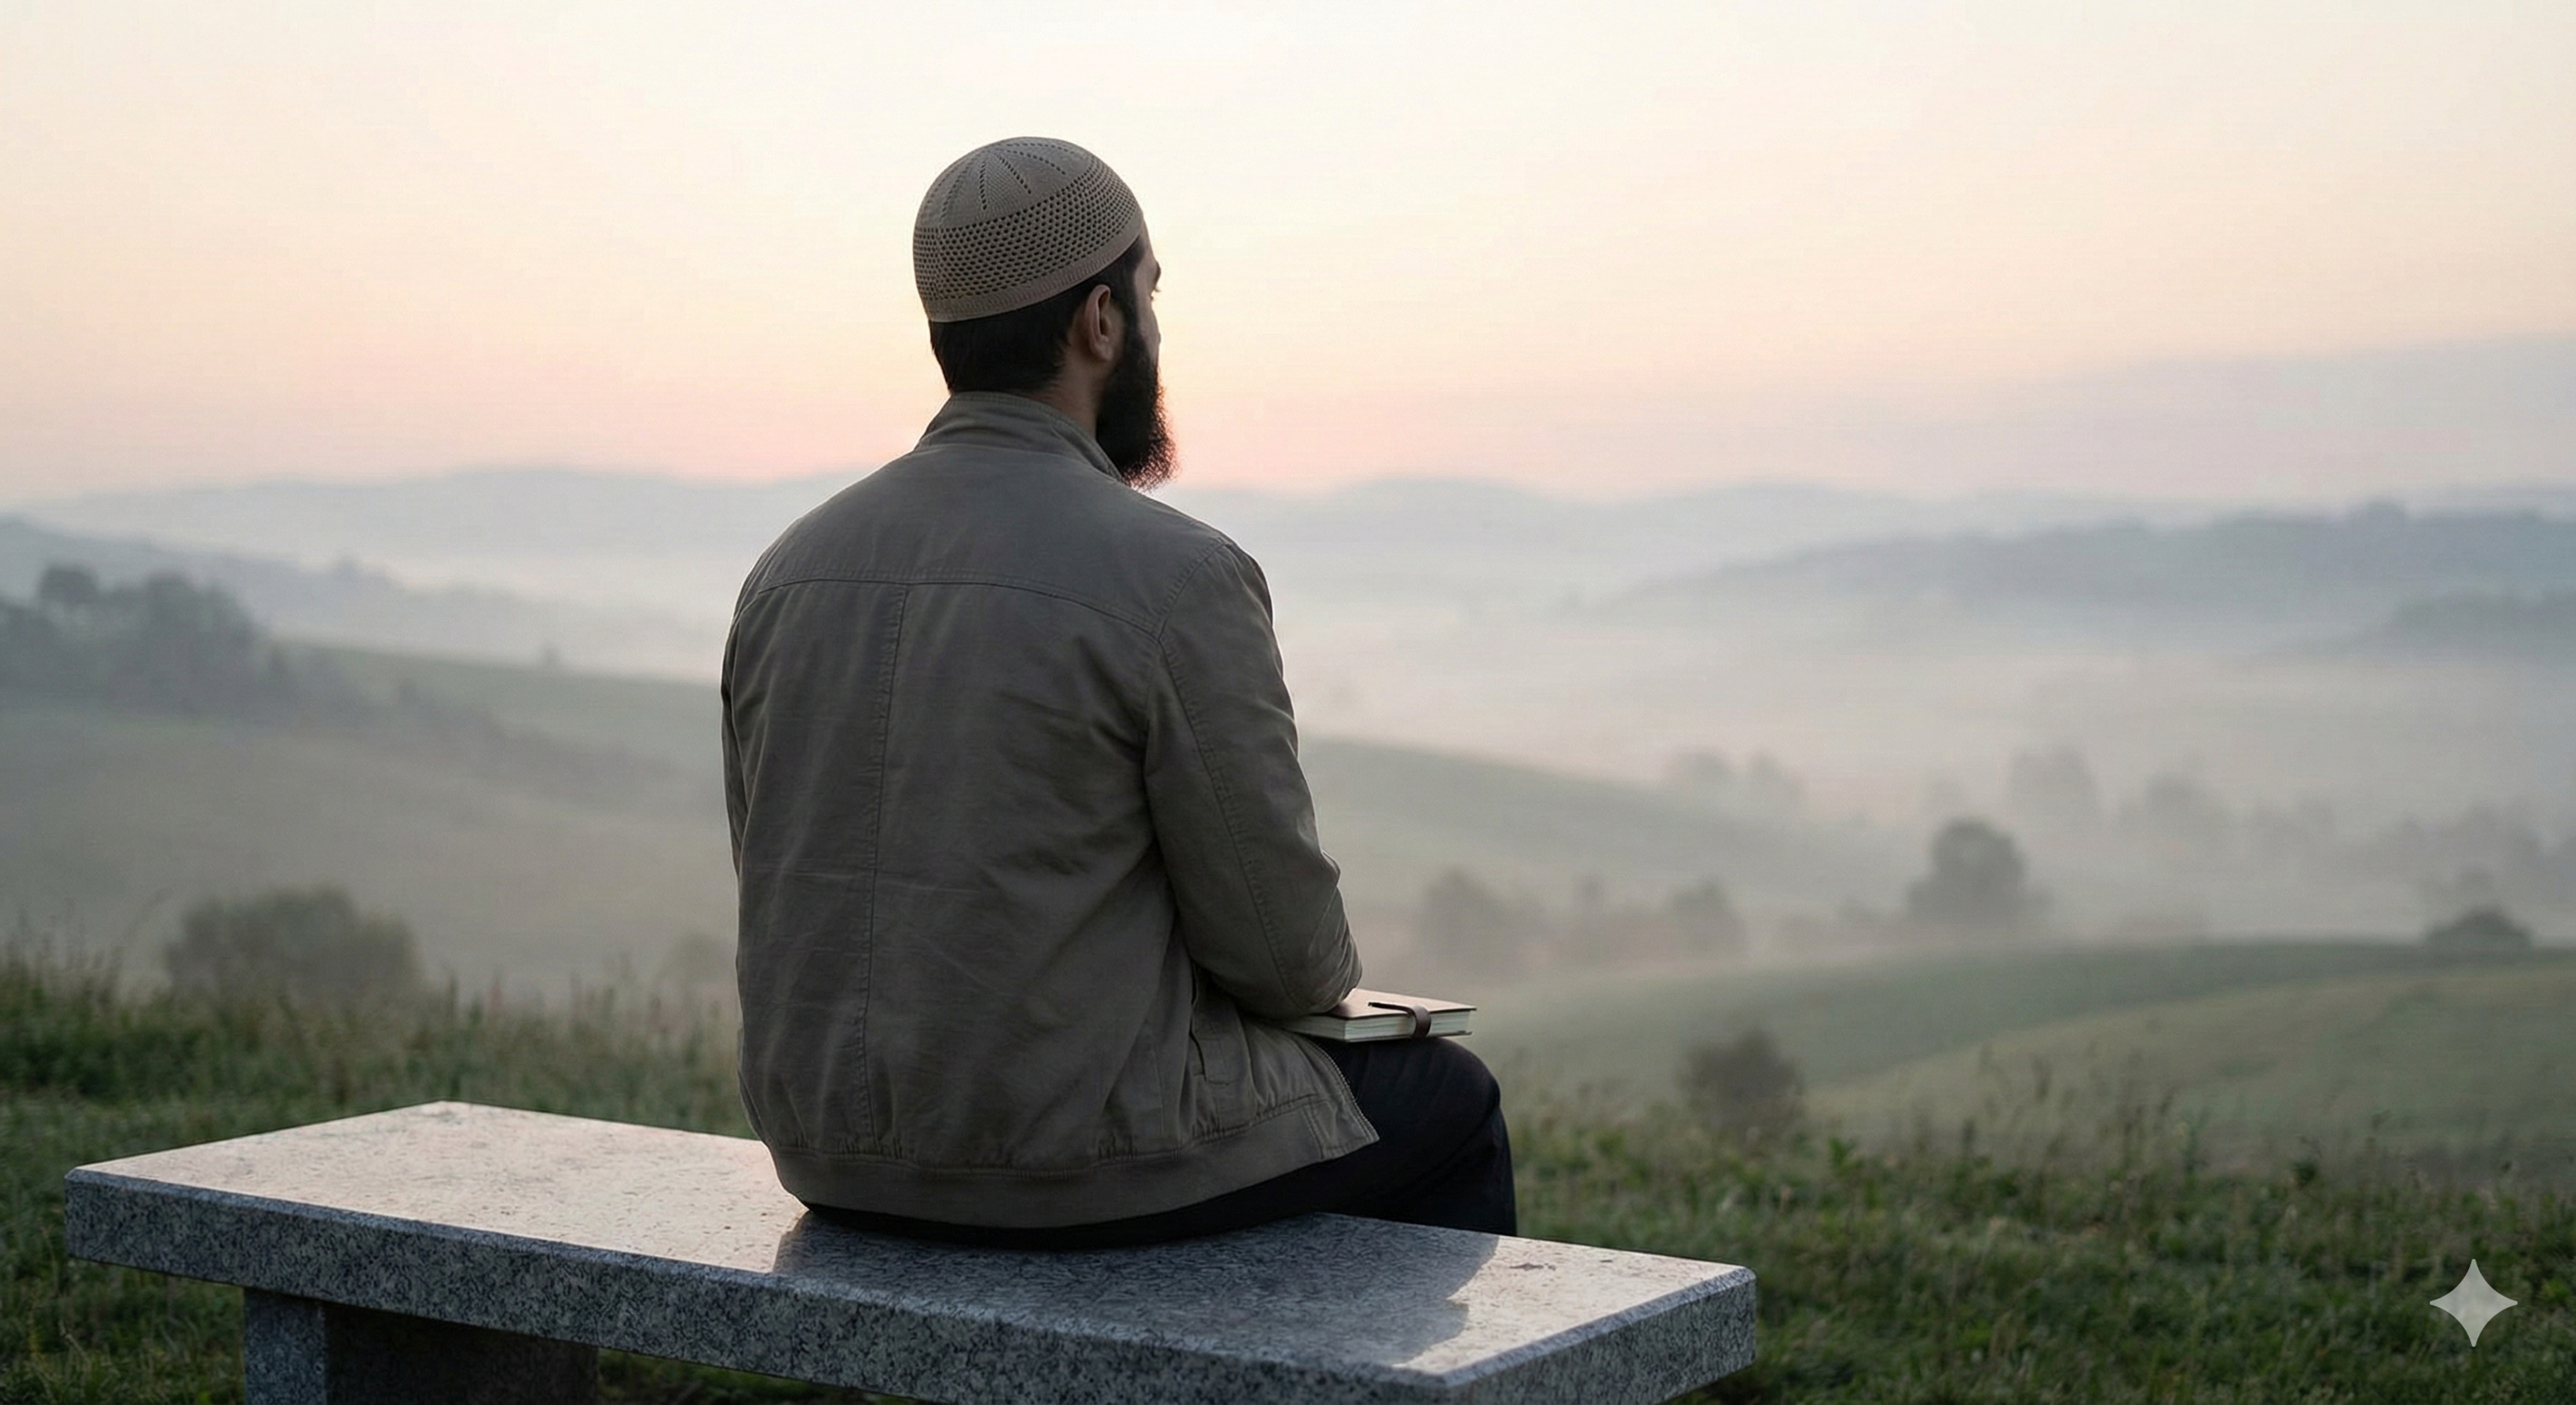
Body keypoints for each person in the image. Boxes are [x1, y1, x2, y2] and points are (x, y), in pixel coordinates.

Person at [721, 137, 1514, 1249]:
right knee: (1451, 1099)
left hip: (825, 1150)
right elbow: (1286, 958)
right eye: (1149, 296)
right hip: (1076, 1159)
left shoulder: (787, 571)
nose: (1155, 332)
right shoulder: (1179, 576)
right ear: (1100, 321)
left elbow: (778, 867)